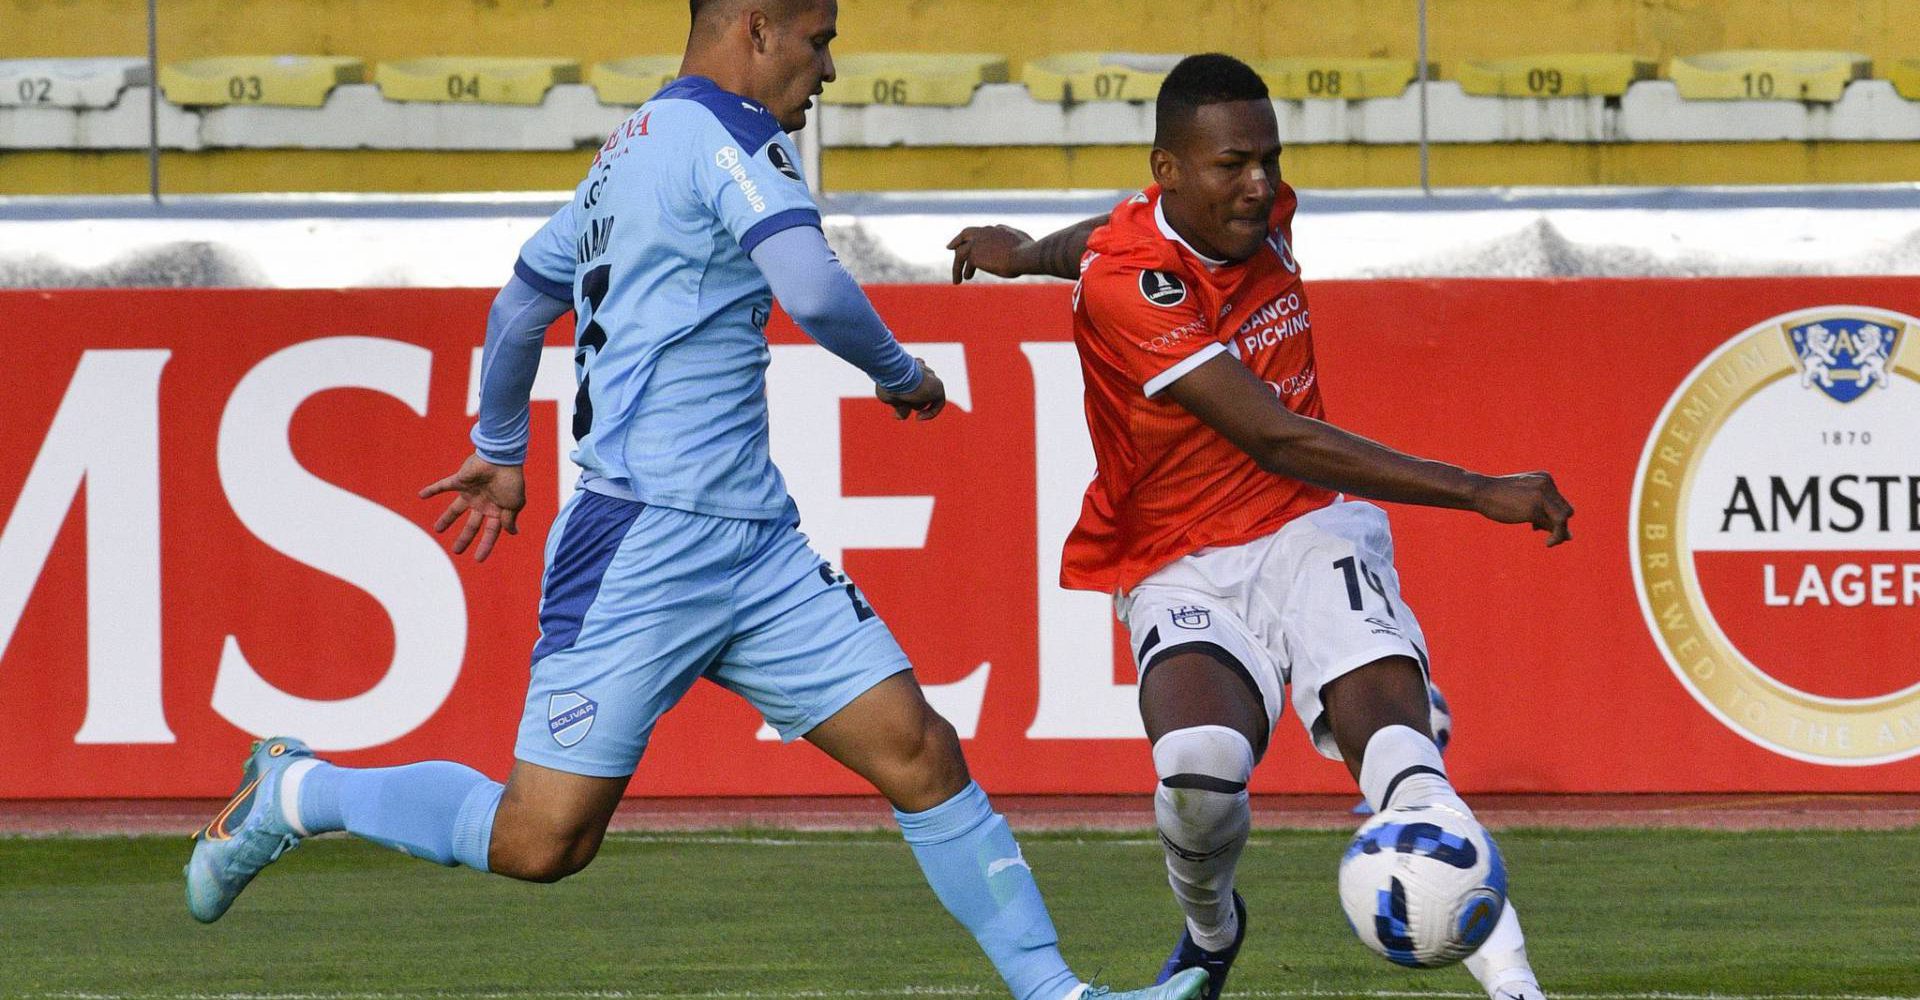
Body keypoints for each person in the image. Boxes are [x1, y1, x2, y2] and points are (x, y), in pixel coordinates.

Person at [182, 4, 1208, 999]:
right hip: (643, 538)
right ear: (756, 28)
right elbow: (812, 289)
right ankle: (298, 791)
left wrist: (500, 447)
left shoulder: (622, 155)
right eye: (819, 40)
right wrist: (900, 374)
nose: (829, 69)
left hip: (756, 544)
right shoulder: (732, 135)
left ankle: (1057, 991)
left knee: (920, 750)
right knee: (542, 840)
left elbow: (520, 305)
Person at [947, 53, 1570, 1000]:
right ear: (1167, 170)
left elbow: (1096, 237)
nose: (1259, 184)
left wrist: (1029, 251)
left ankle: (1518, 986)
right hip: (1178, 557)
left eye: (1269, 159)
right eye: (1232, 164)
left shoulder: (1251, 213)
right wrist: (1480, 489)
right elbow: (1274, 433)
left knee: (1401, 760)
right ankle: (1212, 931)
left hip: (1308, 530)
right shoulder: (1132, 287)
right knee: (1198, 772)